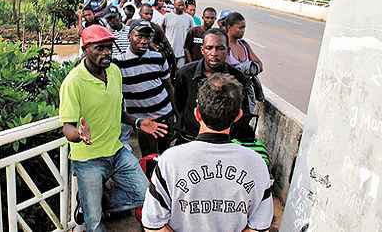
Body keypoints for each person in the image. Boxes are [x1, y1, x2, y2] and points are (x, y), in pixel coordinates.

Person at [59, 25, 168, 232]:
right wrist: (79, 134)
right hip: (88, 160)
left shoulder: (114, 72)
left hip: (116, 151)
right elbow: (67, 129)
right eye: (99, 48)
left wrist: (137, 122)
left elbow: (117, 111)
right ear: (85, 49)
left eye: (109, 47)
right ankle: (92, 203)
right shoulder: (73, 82)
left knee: (146, 194)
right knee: (95, 223)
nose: (106, 53)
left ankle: (94, 200)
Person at [142, 73, 273, 232]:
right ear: (238, 115)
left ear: (197, 113)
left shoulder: (169, 161)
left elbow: (153, 225)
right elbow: (260, 227)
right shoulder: (256, 163)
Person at [174, 28, 250, 141]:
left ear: (228, 50)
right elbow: (178, 104)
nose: (214, 53)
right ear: (202, 50)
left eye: (220, 48)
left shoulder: (238, 78)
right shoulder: (185, 74)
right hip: (189, 138)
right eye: (209, 48)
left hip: (223, 141)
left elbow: (242, 110)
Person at [113, 21, 176, 157]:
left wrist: (177, 114)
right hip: (143, 121)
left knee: (166, 156)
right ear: (129, 36)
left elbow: (168, 86)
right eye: (139, 36)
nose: (143, 41)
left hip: (165, 115)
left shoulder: (158, 57)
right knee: (149, 157)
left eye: (147, 37)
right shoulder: (118, 63)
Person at [225, 12, 263, 113]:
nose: (243, 31)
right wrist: (246, 68)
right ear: (229, 27)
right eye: (240, 28)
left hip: (245, 96)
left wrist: (244, 68)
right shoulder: (223, 46)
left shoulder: (244, 45)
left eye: (244, 28)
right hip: (229, 95)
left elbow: (260, 65)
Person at [136, 4, 177, 78]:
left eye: (151, 14)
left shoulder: (156, 27)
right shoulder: (133, 25)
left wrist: (174, 63)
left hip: (152, 63)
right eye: (146, 14)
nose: (149, 16)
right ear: (140, 13)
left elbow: (167, 45)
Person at [162, 0, 193, 68]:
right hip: (169, 51)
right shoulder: (167, 17)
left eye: (183, 5)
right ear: (174, 5)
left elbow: (191, 33)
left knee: (179, 71)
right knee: (168, 71)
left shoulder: (189, 18)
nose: (181, 7)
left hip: (182, 53)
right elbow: (161, 31)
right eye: (179, 5)